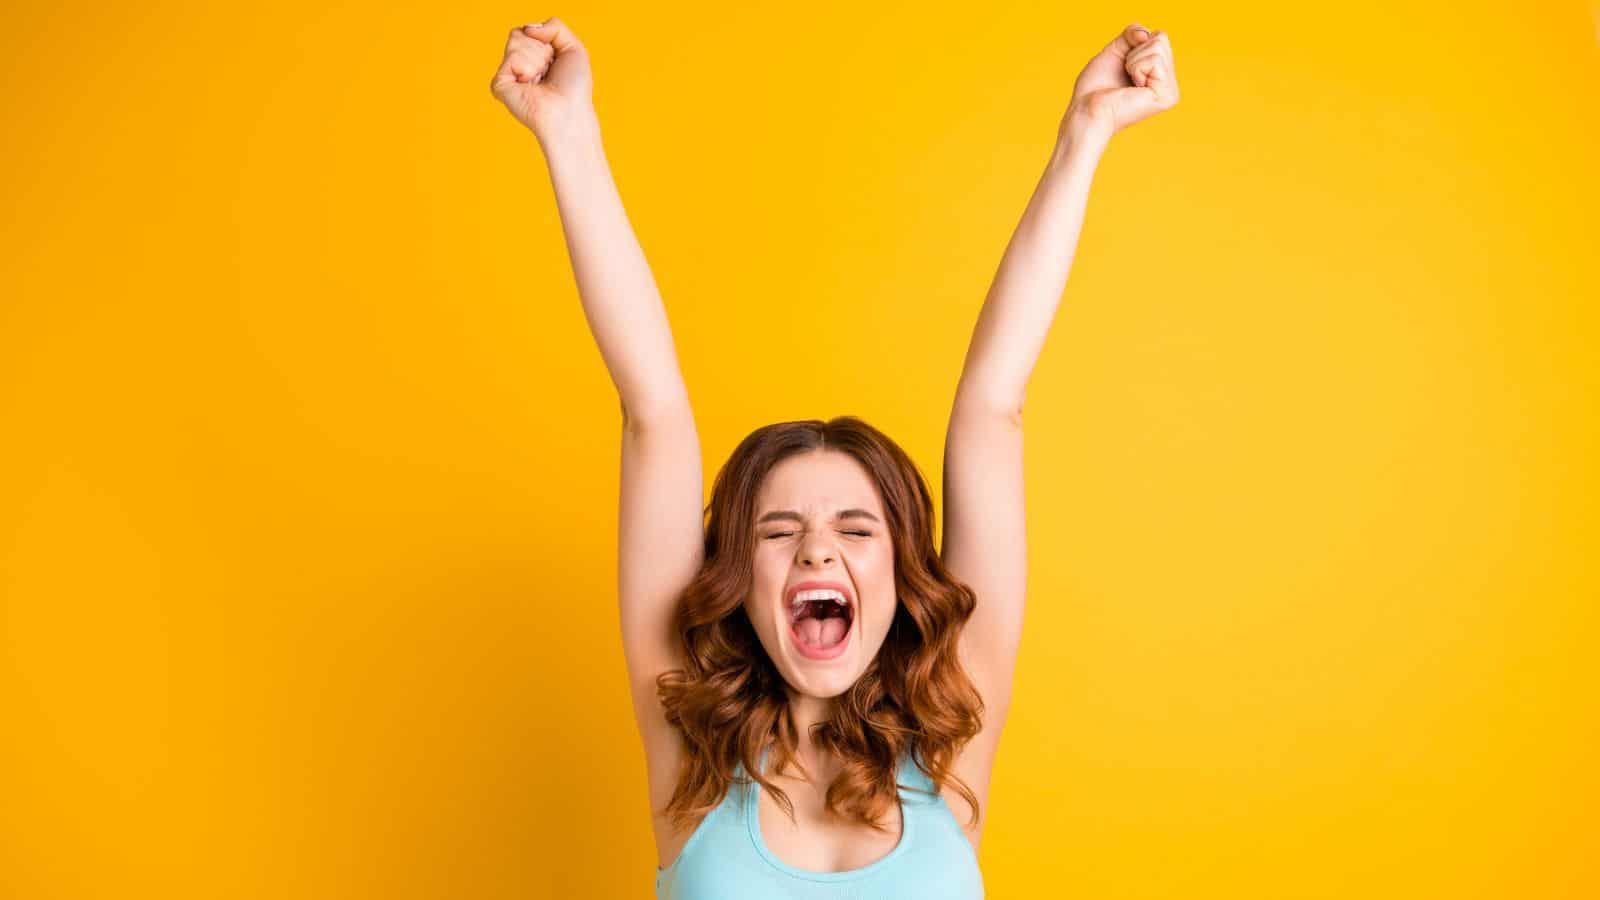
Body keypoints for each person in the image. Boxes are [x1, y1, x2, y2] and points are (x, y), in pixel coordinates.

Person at [490, 17, 1179, 897]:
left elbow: (992, 409)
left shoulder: (950, 749)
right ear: (739, 576)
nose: (818, 550)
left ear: (900, 573)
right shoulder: (692, 762)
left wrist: (1086, 133)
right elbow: (652, 412)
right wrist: (566, 132)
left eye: (856, 529)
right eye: (780, 532)